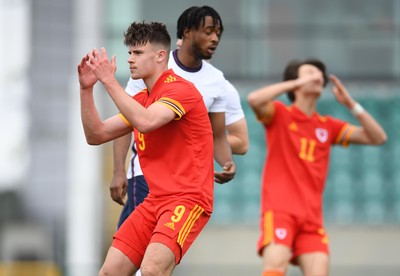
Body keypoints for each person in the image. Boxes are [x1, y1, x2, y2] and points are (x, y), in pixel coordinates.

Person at [78, 21, 215, 275]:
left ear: (160, 56)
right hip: (154, 201)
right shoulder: (141, 100)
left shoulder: (180, 90)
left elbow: (146, 121)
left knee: (152, 269)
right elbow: (95, 134)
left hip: (187, 199)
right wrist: (86, 89)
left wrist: (108, 80)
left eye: (138, 53)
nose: (130, 59)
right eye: (129, 52)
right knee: (110, 272)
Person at [110, 5, 249, 229]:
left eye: (218, 33)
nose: (215, 38)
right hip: (145, 177)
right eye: (208, 31)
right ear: (187, 32)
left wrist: (227, 162)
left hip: (183, 185)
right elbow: (127, 121)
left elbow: (218, 135)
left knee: (159, 256)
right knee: (133, 256)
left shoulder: (216, 81)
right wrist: (118, 172)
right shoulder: (152, 63)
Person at [246, 58, 387, 276]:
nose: (318, 75)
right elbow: (254, 99)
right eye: (310, 72)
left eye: (320, 73)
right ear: (296, 82)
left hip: (312, 219)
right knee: (275, 269)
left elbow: (378, 138)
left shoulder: (327, 126)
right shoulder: (280, 114)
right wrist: (293, 84)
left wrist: (350, 104)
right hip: (280, 210)